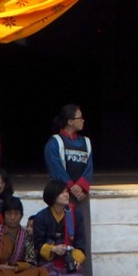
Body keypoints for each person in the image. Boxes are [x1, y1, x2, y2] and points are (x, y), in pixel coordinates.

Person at [44, 104, 92, 244]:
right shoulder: (55, 143)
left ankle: (82, 264)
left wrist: (81, 187)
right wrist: (71, 187)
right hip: (62, 194)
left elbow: (89, 167)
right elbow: (56, 168)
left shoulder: (86, 142)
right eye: (80, 117)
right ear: (70, 121)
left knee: (82, 232)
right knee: (63, 232)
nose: (83, 120)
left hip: (81, 195)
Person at [30, 180, 86, 276]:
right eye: (62, 193)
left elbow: (80, 243)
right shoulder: (41, 217)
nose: (67, 195)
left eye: (67, 192)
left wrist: (75, 259)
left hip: (68, 259)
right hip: (50, 260)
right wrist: (53, 249)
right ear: (53, 196)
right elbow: (38, 245)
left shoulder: (75, 214)